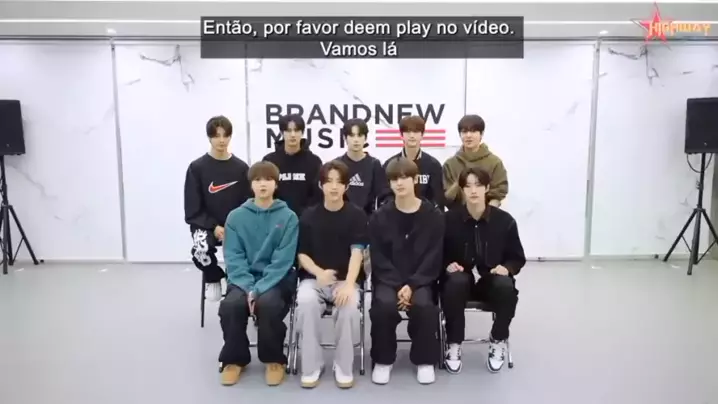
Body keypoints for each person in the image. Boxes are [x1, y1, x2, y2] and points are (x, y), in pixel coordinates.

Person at [218, 161, 299, 387]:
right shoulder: (235, 217)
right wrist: (248, 288)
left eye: (268, 179)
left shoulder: (289, 217)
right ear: (251, 185)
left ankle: (274, 360)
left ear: (276, 184)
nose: (263, 184)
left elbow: (283, 260)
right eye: (257, 180)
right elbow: (233, 257)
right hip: (243, 279)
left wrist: (259, 290)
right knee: (231, 306)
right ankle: (234, 359)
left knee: (269, 305)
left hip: (277, 279)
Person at [440, 167, 525, 374]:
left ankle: (498, 338)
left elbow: (517, 257)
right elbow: (437, 253)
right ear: (462, 190)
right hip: (462, 281)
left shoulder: (504, 221)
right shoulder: (448, 220)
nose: (473, 191)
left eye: (478, 185)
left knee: (506, 287)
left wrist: (507, 268)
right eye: (468, 186)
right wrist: (447, 265)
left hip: (491, 280)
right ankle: (454, 343)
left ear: (487, 188)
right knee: (455, 281)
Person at [369, 157, 444, 385]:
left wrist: (412, 285)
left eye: (404, 178)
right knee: (383, 306)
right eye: (394, 179)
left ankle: (424, 360)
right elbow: (378, 257)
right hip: (388, 279)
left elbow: (434, 255)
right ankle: (383, 360)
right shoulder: (379, 216)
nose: (399, 183)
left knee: (424, 306)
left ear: (415, 180)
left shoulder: (433, 216)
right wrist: (397, 284)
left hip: (421, 279)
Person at [295, 160, 369, 389]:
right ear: (321, 185)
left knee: (349, 307)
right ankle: (312, 365)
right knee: (305, 302)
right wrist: (319, 273)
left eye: (339, 182)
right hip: (314, 280)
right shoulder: (308, 216)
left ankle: (343, 366)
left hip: (346, 280)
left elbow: (357, 252)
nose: (334, 187)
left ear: (347, 186)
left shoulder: (357, 215)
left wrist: (348, 284)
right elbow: (302, 254)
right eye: (329, 182)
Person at [184, 115, 251, 301]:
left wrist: (232, 227)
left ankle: (235, 280)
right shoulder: (196, 168)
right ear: (209, 137)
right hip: (205, 226)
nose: (221, 140)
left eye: (225, 135)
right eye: (216, 136)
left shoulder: (241, 168)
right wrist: (214, 227)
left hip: (235, 226)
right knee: (201, 249)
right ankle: (213, 277)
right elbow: (192, 208)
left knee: (251, 248)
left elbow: (247, 203)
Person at [443, 114, 509, 210]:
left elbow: (499, 192)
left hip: (487, 215)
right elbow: (447, 196)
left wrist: (487, 212)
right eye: (464, 131)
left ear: (481, 134)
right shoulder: (450, 164)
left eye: (473, 131)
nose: (468, 135)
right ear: (460, 135)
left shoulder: (494, 162)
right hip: (457, 216)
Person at [263, 114, 323, 217]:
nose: (293, 135)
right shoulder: (269, 161)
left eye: (296, 130)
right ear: (282, 132)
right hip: (276, 218)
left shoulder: (314, 162)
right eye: (288, 131)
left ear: (302, 132)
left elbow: (317, 195)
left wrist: (306, 215)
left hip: (306, 220)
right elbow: (265, 193)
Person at [380, 116, 444, 210]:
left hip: (425, 215)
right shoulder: (390, 164)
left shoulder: (433, 165)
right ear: (401, 135)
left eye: (416, 131)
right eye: (408, 131)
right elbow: (385, 196)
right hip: (396, 214)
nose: (412, 135)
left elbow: (437, 198)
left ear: (422, 134)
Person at [334, 119, 388, 215]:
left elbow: (382, 196)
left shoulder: (374, 165)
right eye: (352, 135)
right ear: (345, 138)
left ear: (365, 138)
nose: (356, 140)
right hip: (342, 218)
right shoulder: (337, 165)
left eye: (359, 135)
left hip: (368, 219)